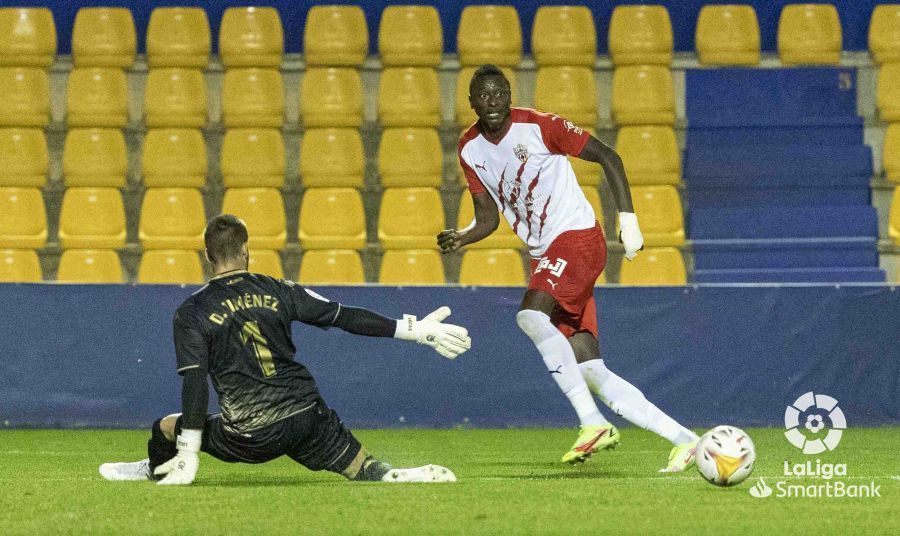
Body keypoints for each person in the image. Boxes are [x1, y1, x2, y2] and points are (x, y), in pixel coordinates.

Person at [438, 64, 698, 471]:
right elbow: (488, 216)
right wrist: (462, 236)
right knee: (591, 369)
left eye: (499, 93)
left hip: (576, 237)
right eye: (483, 96)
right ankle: (688, 442)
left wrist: (627, 221)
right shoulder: (469, 148)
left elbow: (608, 156)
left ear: (510, 95)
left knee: (529, 315)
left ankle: (593, 423)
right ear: (471, 102)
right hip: (547, 254)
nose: (492, 102)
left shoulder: (539, 126)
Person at [101, 214, 470, 485]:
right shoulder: (279, 289)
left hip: (249, 434)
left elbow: (194, 383)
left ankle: (156, 468)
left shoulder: (191, 311)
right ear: (246, 251)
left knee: (164, 426)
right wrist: (414, 329)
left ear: (208, 255)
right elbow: (343, 317)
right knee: (364, 469)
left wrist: (190, 448)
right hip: (305, 416)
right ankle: (389, 475)